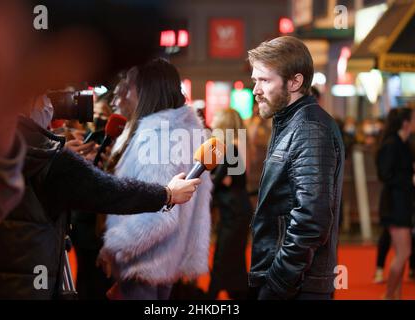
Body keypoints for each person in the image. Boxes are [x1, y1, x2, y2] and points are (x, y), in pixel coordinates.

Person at [0, 94, 201, 300]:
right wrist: (167, 193)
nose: (50, 105)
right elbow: (112, 192)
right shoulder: (50, 159)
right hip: (30, 281)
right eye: (44, 97)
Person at [98, 58, 212, 300]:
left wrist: (114, 247)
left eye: (129, 86)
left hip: (145, 263)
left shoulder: (157, 136)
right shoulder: (184, 131)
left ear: (146, 90)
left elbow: (158, 216)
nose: (123, 94)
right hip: (165, 260)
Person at [247, 36, 345, 300]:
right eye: (255, 80)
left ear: (295, 82)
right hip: (291, 281)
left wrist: (278, 283)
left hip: (297, 286)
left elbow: (312, 220)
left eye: (264, 80)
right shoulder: (292, 123)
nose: (255, 89)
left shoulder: (309, 129)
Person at [207, 109, 252, 300]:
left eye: (215, 117)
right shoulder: (236, 145)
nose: (212, 120)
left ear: (224, 123)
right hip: (236, 211)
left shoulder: (231, 148)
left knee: (222, 261)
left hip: (235, 214)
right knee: (233, 263)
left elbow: (215, 182)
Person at [375, 107, 415, 299]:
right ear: (406, 122)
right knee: (404, 252)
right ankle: (389, 295)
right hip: (394, 204)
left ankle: (396, 295)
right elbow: (385, 174)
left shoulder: (405, 143)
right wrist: (410, 180)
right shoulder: (392, 144)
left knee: (403, 253)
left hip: (403, 202)